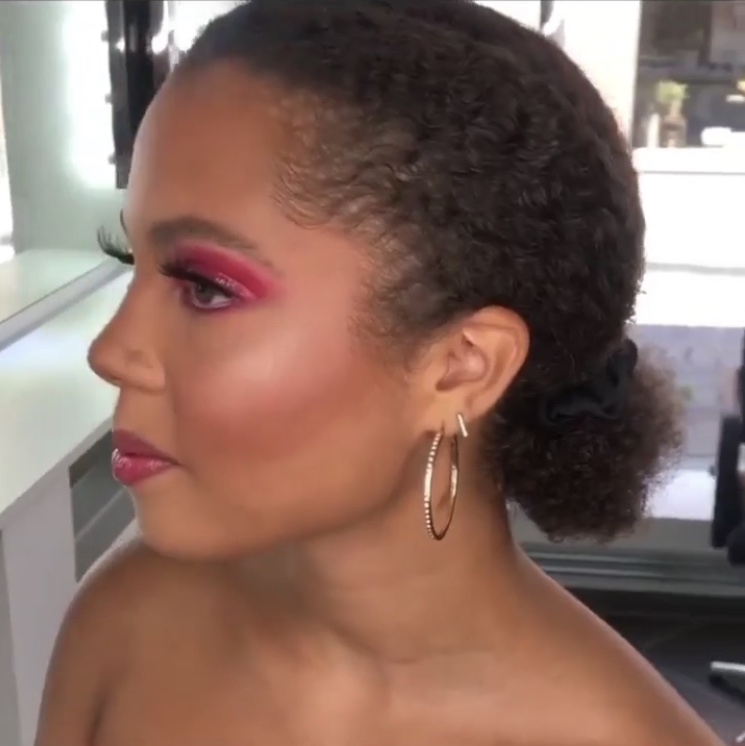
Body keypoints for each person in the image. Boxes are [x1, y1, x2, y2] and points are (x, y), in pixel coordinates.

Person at [36, 1, 723, 744]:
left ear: (460, 368)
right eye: (130, 261)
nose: (110, 350)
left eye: (205, 288)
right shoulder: (129, 622)